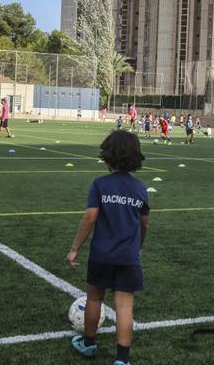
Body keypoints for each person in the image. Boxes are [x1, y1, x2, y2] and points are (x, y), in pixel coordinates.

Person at [66, 130, 149, 365]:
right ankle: (122, 359)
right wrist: (139, 246)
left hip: (102, 254)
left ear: (107, 156)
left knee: (94, 299)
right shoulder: (140, 188)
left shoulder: (100, 185)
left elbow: (90, 219)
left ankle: (89, 344)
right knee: (124, 305)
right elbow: (145, 224)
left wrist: (74, 249)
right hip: (128, 256)